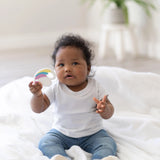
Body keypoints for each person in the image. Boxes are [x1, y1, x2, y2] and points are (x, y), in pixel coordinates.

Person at [29, 34, 118, 160]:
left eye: (75, 63)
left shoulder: (95, 86)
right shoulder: (56, 87)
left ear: (88, 68)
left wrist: (105, 109)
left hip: (93, 133)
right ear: (54, 68)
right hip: (61, 133)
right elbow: (38, 109)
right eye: (61, 65)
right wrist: (37, 95)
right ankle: (60, 157)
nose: (67, 69)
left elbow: (109, 110)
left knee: (108, 144)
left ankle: (102, 157)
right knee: (46, 142)